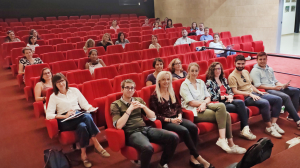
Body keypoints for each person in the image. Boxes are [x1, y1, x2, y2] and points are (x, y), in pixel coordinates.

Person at [150, 71, 214, 168]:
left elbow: (178, 107)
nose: (166, 82)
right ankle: (198, 157)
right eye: (163, 79)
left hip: (177, 118)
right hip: (166, 122)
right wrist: (171, 120)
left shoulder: (171, 92)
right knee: (184, 130)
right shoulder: (154, 96)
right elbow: (156, 115)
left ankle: (193, 157)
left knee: (193, 127)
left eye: (168, 79)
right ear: (159, 81)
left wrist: (179, 116)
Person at [110, 79, 179, 168]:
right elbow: (118, 126)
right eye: (127, 88)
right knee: (148, 148)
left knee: (173, 137)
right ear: (122, 89)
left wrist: (143, 107)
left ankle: (162, 163)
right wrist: (129, 109)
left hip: (145, 128)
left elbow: (153, 117)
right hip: (132, 132)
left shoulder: (138, 100)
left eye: (132, 88)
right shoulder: (115, 104)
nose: (130, 90)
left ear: (134, 90)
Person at [180, 63, 247, 154]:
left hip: (205, 105)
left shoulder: (201, 82)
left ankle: (224, 140)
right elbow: (191, 102)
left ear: (198, 71)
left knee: (222, 107)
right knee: (226, 115)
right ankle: (229, 143)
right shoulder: (185, 84)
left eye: (196, 71)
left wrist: (204, 103)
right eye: (192, 71)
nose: (194, 73)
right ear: (188, 71)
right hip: (193, 110)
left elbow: (208, 97)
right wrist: (203, 104)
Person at [46, 73, 110, 168]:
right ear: (55, 84)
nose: (61, 84)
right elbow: (49, 115)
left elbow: (84, 105)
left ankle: (84, 156)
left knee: (83, 126)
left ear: (66, 81)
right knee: (87, 117)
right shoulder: (53, 96)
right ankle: (97, 145)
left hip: (78, 115)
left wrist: (91, 108)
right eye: (58, 82)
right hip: (65, 121)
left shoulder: (74, 90)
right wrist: (64, 116)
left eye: (62, 81)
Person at [228, 55, 284, 138]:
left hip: (254, 93)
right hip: (246, 97)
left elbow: (250, 85)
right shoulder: (232, 76)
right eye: (238, 64)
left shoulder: (246, 72)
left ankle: (273, 124)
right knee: (265, 103)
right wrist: (250, 94)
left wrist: (258, 92)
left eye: (242, 64)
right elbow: (234, 91)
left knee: (278, 99)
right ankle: (269, 128)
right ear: (234, 63)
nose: (241, 66)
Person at [206, 62, 256, 140]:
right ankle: (245, 130)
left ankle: (244, 130)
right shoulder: (209, 82)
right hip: (220, 103)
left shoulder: (223, 80)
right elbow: (213, 97)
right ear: (212, 70)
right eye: (215, 69)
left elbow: (230, 91)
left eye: (219, 68)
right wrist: (226, 97)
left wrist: (231, 96)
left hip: (228, 100)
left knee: (241, 102)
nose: (218, 70)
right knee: (245, 108)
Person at [250, 52, 300, 129]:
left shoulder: (269, 69)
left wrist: (282, 85)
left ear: (267, 59)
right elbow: (257, 85)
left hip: (275, 87)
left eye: (264, 59)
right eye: (260, 59)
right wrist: (274, 88)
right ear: (257, 60)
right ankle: (298, 120)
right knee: (285, 97)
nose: (262, 61)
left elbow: (275, 81)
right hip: (268, 90)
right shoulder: (255, 71)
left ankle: (291, 116)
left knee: (296, 91)